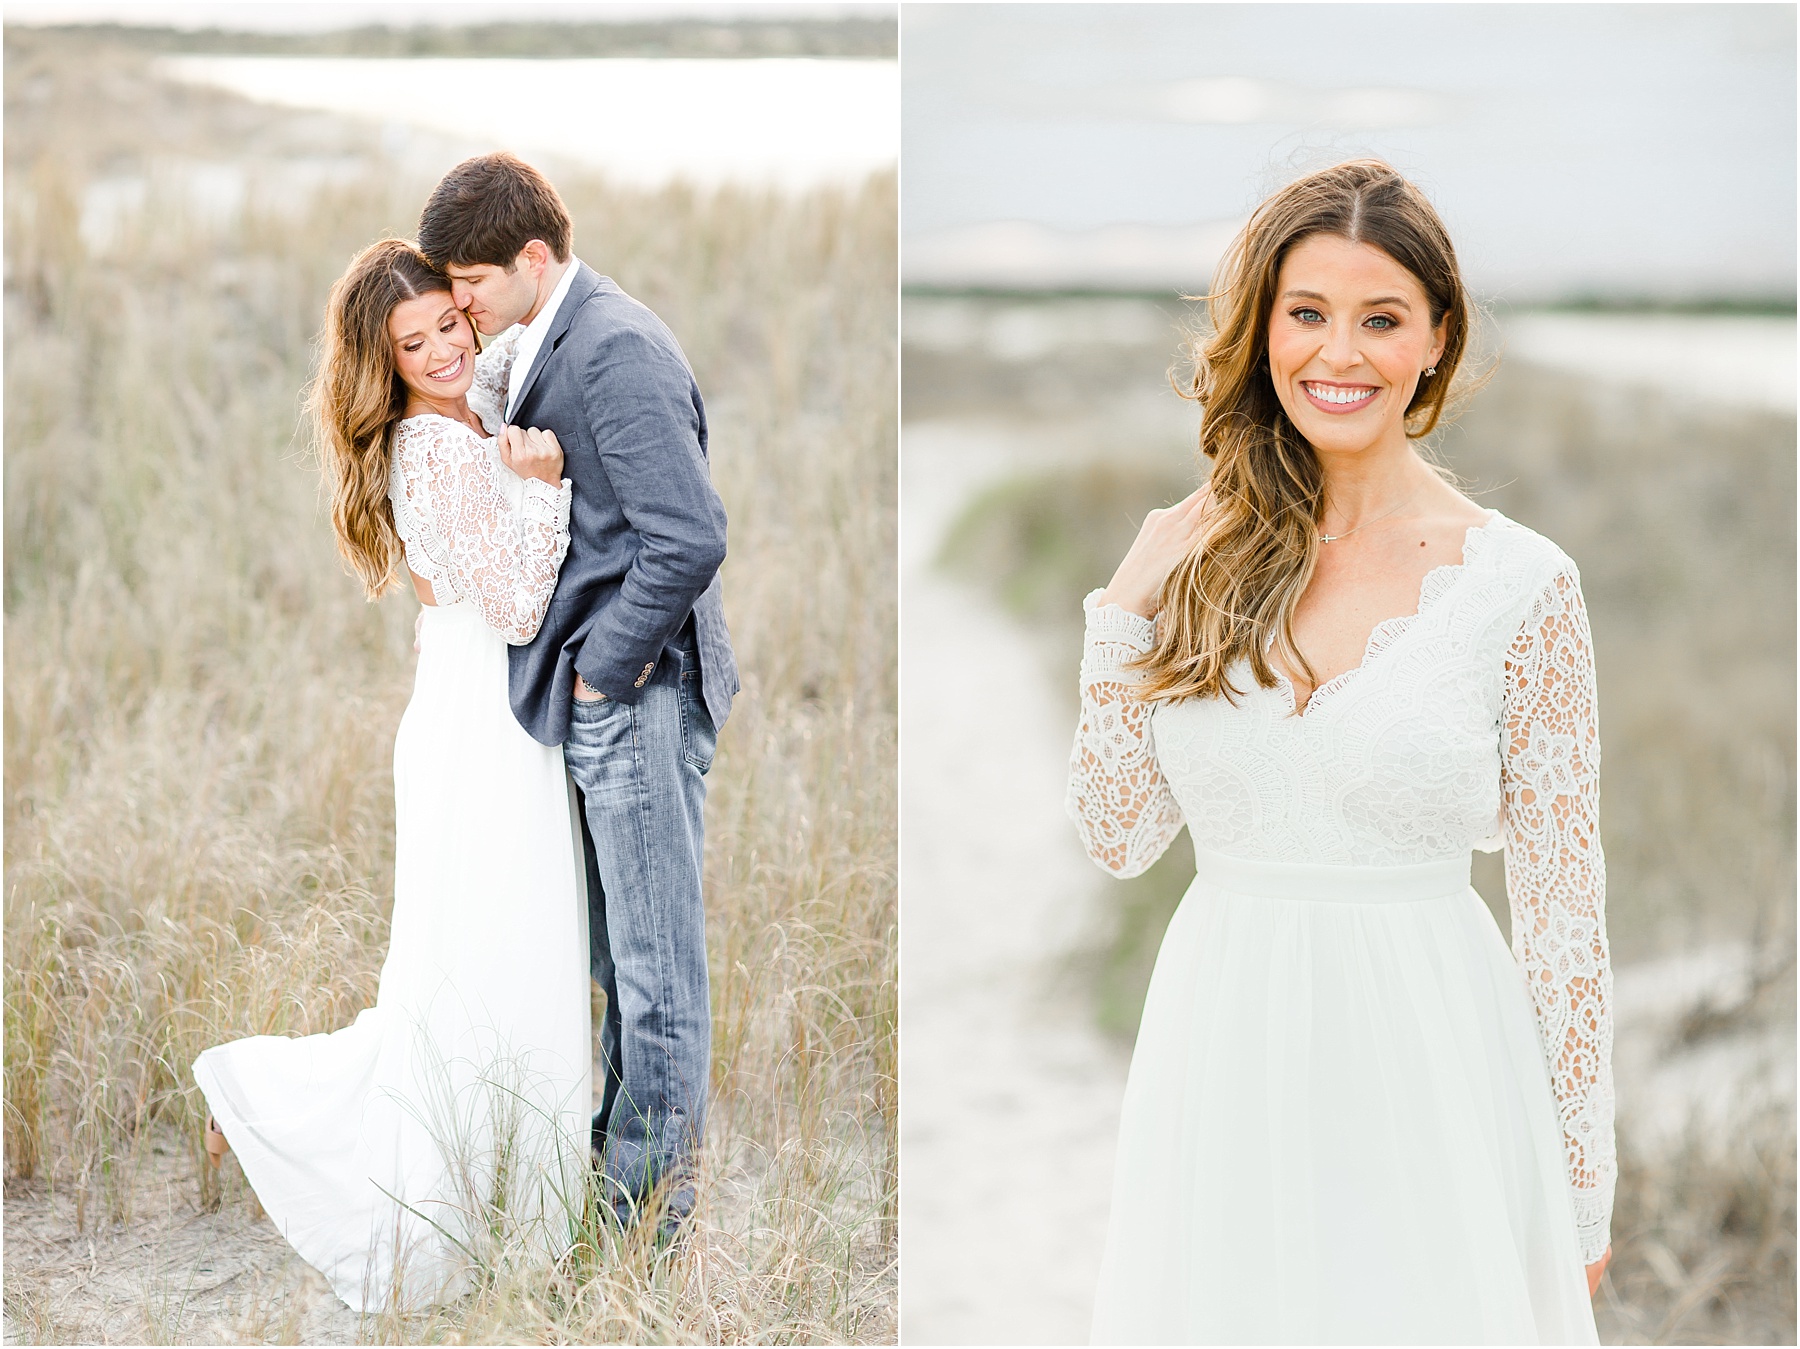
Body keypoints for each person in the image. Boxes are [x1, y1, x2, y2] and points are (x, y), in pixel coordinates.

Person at [1068, 160, 1614, 1344]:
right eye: (1307, 313)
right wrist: (1123, 609)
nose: (1340, 353)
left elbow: (1565, 916)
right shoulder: (1199, 556)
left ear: (1437, 340)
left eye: (1381, 319)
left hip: (1431, 1051)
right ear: (1264, 330)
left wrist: (1581, 1191)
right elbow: (1118, 838)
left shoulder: (1525, 587)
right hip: (1225, 1041)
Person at [193, 239, 590, 1312]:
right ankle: (303, 1115)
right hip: (479, 722)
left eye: (447, 326)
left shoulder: (478, 402)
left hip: (491, 712)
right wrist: (546, 491)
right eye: (411, 345)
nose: (442, 352)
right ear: (387, 363)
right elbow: (513, 607)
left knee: (500, 956)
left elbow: (523, 343)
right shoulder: (429, 451)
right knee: (480, 960)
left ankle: (519, 1202)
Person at [417, 153, 738, 1237]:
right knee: (612, 962)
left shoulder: (614, 349)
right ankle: (613, 1189)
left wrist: (603, 668)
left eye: (470, 280)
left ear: (533, 257)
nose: (458, 303)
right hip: (602, 701)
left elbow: (689, 536)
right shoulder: (548, 337)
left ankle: (650, 1224)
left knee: (655, 976)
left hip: (637, 697)